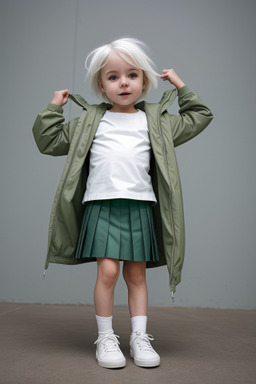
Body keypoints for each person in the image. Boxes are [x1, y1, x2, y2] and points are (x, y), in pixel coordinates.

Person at [32, 38, 213, 369]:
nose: (124, 82)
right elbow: (49, 141)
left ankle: (139, 337)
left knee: (137, 275)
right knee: (108, 271)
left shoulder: (156, 122)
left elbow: (200, 115)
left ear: (144, 80)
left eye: (132, 74)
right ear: (101, 85)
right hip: (101, 207)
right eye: (113, 77)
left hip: (140, 206)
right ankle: (105, 337)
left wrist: (179, 84)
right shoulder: (90, 122)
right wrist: (54, 108)